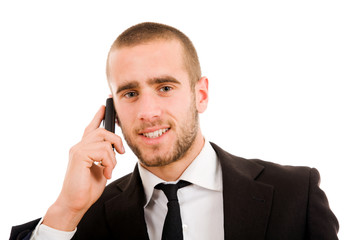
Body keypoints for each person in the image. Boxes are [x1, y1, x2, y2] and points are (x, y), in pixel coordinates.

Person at [10, 22, 339, 240]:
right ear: (113, 112)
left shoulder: (295, 193)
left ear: (201, 95)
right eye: (130, 93)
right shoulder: (81, 218)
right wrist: (66, 210)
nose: (148, 112)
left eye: (165, 87)